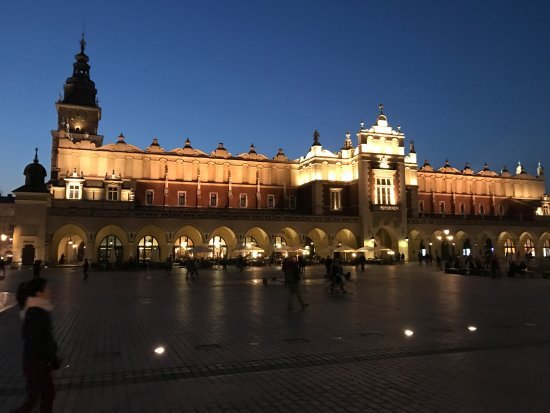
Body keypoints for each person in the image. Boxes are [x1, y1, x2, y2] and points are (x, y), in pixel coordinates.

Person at [13, 278, 60, 413]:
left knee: (40, 398)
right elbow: (38, 340)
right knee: (41, 398)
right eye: (47, 289)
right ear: (39, 293)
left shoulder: (37, 310)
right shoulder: (36, 312)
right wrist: (51, 358)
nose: (50, 291)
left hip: (35, 361)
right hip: (37, 363)